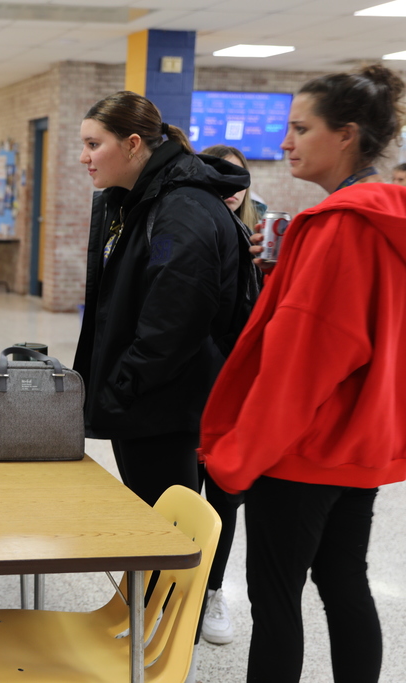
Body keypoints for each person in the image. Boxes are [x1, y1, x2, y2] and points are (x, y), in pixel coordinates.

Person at [200, 64, 406, 683]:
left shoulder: (339, 228)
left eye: (299, 128)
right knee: (346, 583)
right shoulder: (386, 222)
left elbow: (303, 362)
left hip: (302, 451)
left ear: (346, 135)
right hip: (358, 443)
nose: (284, 142)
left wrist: (240, 454)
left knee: (276, 601)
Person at [73, 91, 250, 509]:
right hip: (148, 404)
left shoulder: (180, 209)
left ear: (134, 144)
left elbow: (175, 322)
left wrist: (122, 389)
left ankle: (194, 580)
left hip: (163, 408)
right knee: (155, 530)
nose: (84, 157)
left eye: (94, 144)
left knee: (165, 538)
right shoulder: (140, 201)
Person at [192, 144, 258, 646]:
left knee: (224, 498)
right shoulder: (192, 227)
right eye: (220, 179)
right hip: (194, 390)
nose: (231, 191)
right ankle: (175, 590)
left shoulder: (262, 239)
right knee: (183, 491)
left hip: (240, 394)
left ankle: (214, 590)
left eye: (238, 181)